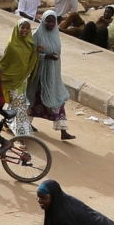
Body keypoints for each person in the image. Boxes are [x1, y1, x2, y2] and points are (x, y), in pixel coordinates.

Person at [29, 12, 74, 141]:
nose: (49, 24)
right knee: (32, 102)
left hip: (52, 75)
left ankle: (63, 131)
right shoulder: (37, 35)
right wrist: (46, 56)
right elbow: (31, 55)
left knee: (58, 100)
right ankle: (24, 125)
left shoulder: (56, 34)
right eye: (47, 21)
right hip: (39, 77)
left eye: (52, 21)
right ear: (42, 21)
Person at [0, 20, 39, 139]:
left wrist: (37, 52)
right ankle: (20, 136)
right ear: (17, 28)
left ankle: (6, 123)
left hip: (23, 81)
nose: (25, 30)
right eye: (22, 27)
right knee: (20, 107)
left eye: (27, 28)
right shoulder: (11, 45)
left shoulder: (30, 44)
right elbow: (4, 63)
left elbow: (31, 60)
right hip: (12, 81)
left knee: (16, 105)